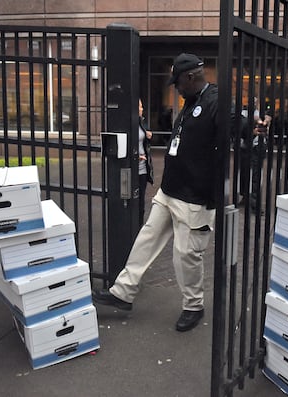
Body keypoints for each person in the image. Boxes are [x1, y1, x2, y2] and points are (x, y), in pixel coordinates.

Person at [93, 53, 219, 332]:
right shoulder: (190, 103)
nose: (176, 88)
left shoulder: (215, 102)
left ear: (190, 77)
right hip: (170, 190)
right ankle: (123, 293)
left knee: (185, 255)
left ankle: (193, 306)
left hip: (195, 197)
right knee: (146, 239)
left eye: (178, 83)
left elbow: (235, 125)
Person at [138, 98, 154, 224]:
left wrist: (148, 135)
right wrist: (135, 156)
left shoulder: (141, 122)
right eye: (140, 106)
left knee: (140, 202)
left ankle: (138, 226)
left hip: (142, 168)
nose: (142, 109)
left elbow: (145, 139)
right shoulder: (128, 124)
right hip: (131, 168)